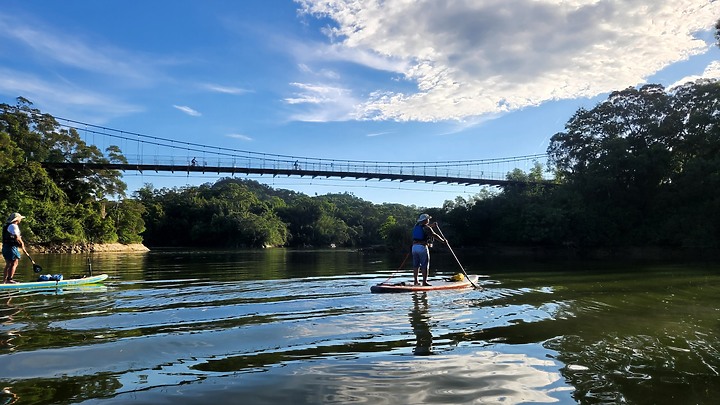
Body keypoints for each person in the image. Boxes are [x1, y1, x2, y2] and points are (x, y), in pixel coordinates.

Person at [411, 213, 445, 286]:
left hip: (414, 248)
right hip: (422, 247)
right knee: (424, 265)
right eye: (428, 219)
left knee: (416, 265)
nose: (429, 220)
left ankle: (416, 281)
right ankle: (424, 282)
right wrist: (443, 241)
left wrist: (432, 225)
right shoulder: (427, 228)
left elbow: (424, 228)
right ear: (426, 220)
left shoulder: (416, 226)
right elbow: (434, 235)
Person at [2, 213, 26, 284]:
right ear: (17, 219)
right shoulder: (14, 226)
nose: (20, 220)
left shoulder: (7, 226)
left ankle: (4, 281)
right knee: (14, 262)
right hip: (11, 248)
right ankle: (9, 280)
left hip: (5, 247)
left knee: (8, 263)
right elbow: (17, 237)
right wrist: (22, 244)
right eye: (20, 218)